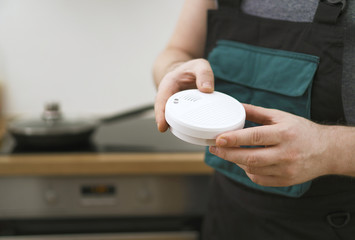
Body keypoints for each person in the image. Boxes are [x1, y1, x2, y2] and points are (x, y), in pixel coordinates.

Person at [153, 0, 355, 239]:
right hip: (228, 215)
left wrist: (329, 148)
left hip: (330, 224)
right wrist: (174, 70)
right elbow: (178, 51)